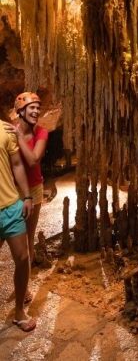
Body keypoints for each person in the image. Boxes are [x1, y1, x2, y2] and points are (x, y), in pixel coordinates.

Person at [4, 92, 48, 301]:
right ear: (20, 111)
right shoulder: (8, 130)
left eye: (38, 108)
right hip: (11, 190)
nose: (36, 111)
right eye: (32, 107)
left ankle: (24, 286)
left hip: (34, 189)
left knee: (28, 239)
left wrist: (19, 136)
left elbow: (32, 160)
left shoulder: (42, 133)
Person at [0, 118, 36, 332]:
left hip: (11, 206)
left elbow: (16, 164)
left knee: (22, 258)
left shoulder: (5, 129)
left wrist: (28, 196)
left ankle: (19, 311)